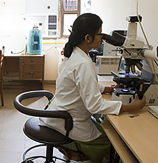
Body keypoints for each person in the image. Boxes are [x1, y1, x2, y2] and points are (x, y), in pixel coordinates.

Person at [39, 13, 146, 163]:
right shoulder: (83, 63)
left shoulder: (74, 54)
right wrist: (132, 107)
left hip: (58, 115)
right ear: (88, 38)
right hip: (68, 123)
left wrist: (107, 90)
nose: (102, 38)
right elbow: (94, 106)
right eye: (100, 34)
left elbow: (82, 84)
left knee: (103, 127)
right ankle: (85, 154)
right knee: (110, 142)